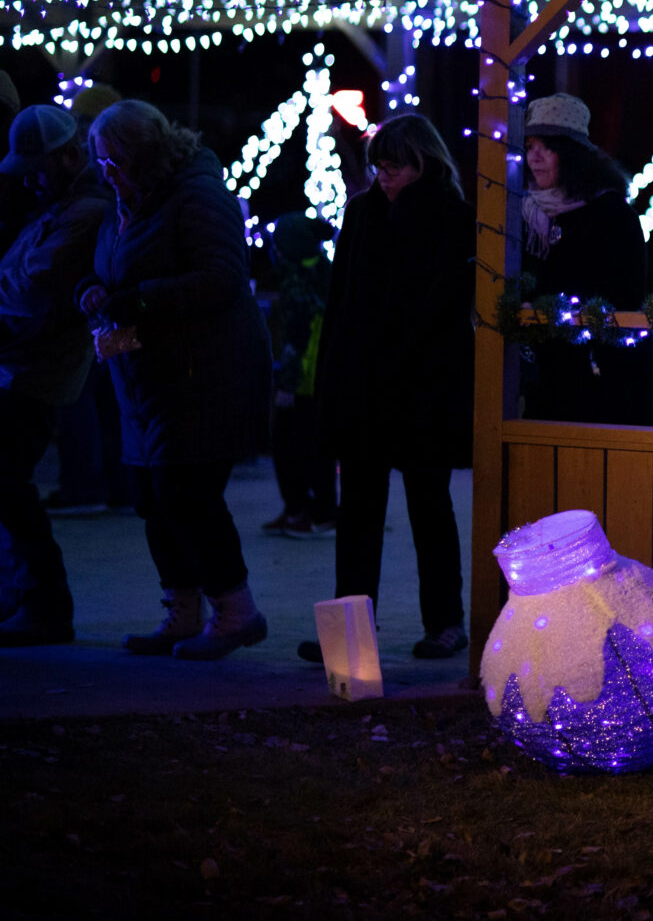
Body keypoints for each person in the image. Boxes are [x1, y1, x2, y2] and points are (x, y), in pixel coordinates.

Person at [81, 100, 271, 660]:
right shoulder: (127, 202)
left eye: (111, 158)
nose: (104, 170)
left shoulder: (195, 195)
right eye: (100, 161)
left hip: (202, 374)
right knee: (150, 496)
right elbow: (107, 268)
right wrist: (91, 292)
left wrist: (139, 299)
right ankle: (181, 612)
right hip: (146, 376)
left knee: (185, 493)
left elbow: (222, 277)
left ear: (140, 153)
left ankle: (237, 612)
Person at [304, 113, 475, 663]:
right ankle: (353, 627)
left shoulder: (450, 217)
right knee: (360, 511)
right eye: (380, 165)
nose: (385, 175)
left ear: (422, 162)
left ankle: (445, 622)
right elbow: (343, 302)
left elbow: (440, 311)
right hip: (367, 384)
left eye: (395, 166)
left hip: (419, 386)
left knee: (426, 504)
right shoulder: (366, 212)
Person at [0, 106, 113, 645]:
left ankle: (44, 603)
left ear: (71, 156)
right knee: (8, 485)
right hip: (25, 365)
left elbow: (30, 287)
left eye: (38, 168)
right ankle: (35, 599)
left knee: (8, 485)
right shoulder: (65, 204)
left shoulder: (84, 212)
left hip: (35, 370)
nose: (31, 180)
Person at [519, 93, 653, 426]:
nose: (534, 157)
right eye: (529, 146)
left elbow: (623, 295)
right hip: (544, 379)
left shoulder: (611, 214)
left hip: (602, 379)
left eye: (546, 147)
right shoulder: (522, 212)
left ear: (571, 153)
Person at [47, 84, 126, 515]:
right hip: (111, 290)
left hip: (90, 295)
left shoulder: (88, 173)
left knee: (80, 391)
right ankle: (119, 483)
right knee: (112, 393)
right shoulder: (121, 168)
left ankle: (85, 483)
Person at [262, 212, 336, 539]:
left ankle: (308, 512)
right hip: (323, 377)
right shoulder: (322, 269)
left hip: (305, 380)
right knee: (313, 445)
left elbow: (298, 336)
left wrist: (287, 385)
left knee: (289, 444)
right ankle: (309, 509)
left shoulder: (297, 279)